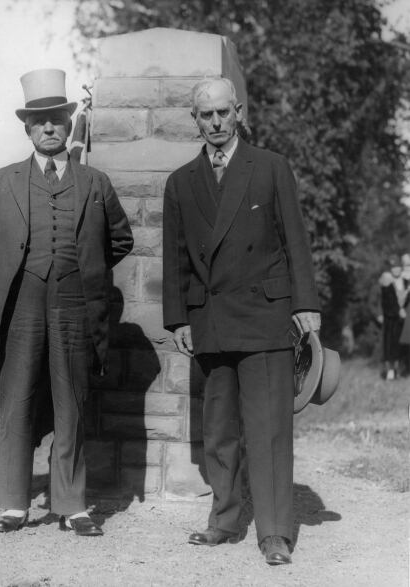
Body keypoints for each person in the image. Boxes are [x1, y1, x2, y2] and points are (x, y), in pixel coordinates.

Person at [0, 68, 133, 537]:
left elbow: (120, 239)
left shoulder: (94, 182)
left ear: (68, 123)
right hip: (18, 306)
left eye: (56, 119)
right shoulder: (3, 182)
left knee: (71, 403)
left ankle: (72, 505)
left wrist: (86, 266)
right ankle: (14, 505)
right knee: (17, 401)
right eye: (39, 121)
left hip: (75, 305)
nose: (48, 128)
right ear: (27, 128)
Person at [162, 77, 320, 566]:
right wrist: (177, 321)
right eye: (205, 115)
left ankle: (274, 531)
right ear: (195, 119)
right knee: (220, 428)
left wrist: (305, 305)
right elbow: (176, 261)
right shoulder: (181, 182)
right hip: (210, 319)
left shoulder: (270, 167)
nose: (215, 122)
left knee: (269, 427)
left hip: (266, 314)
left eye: (223, 113)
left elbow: (295, 239)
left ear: (239, 113)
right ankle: (225, 519)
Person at [375, 255, 406, 380]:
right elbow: (384, 302)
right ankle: (390, 371)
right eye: (393, 267)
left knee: (400, 345)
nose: (396, 269)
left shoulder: (405, 281)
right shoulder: (385, 282)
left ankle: (399, 370)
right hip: (390, 318)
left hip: (403, 319)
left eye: (398, 266)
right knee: (389, 345)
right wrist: (398, 311)